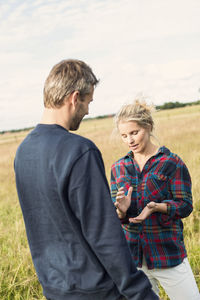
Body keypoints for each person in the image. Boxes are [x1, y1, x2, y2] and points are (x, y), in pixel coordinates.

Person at [14, 60, 159, 300]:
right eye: (88, 102)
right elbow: (103, 232)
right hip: (98, 291)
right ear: (74, 98)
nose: (88, 111)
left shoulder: (23, 151)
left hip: (54, 289)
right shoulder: (79, 151)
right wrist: (140, 292)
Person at [110, 100, 200, 300]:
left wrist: (157, 207)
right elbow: (115, 216)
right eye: (124, 136)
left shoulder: (171, 162)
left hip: (167, 254)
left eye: (134, 133)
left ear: (148, 127)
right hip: (133, 259)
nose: (130, 140)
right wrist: (121, 210)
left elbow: (185, 205)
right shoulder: (118, 168)